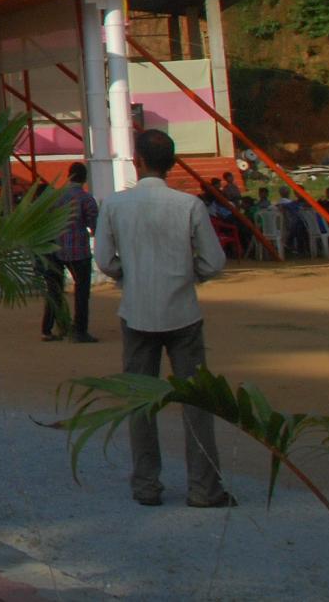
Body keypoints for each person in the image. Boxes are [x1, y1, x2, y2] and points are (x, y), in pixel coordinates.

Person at [94, 129, 234, 508]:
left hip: (136, 311)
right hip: (182, 312)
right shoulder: (189, 205)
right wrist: (190, 274)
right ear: (171, 164)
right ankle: (204, 488)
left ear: (137, 162)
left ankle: (146, 484)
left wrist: (129, 274)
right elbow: (214, 261)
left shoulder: (115, 205)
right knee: (197, 402)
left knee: (139, 401)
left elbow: (105, 260)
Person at [41, 163, 100, 343]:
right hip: (79, 250)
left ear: (69, 176)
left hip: (56, 249)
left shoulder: (56, 198)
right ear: (84, 178)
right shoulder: (86, 199)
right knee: (81, 292)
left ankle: (47, 329)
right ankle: (79, 331)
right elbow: (94, 225)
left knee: (54, 290)